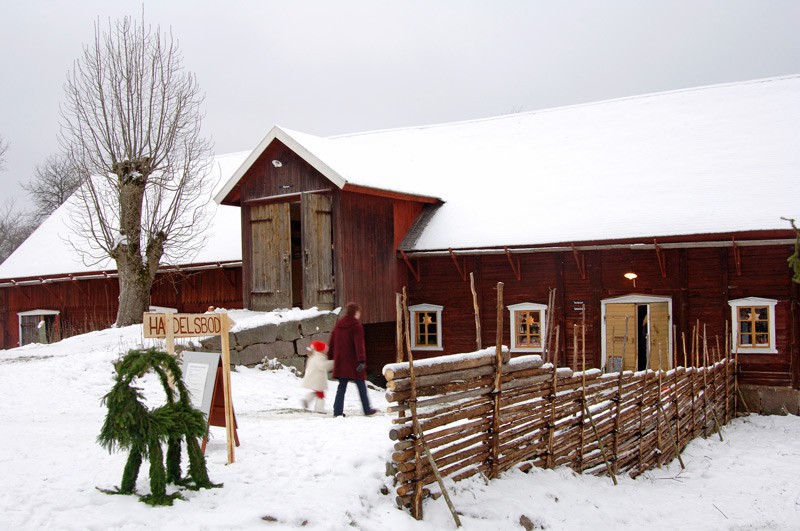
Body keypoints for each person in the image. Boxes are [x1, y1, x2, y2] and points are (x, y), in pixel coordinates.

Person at [328, 302, 377, 417]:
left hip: (341, 361)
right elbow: (359, 344)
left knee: (342, 386)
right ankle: (367, 409)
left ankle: (337, 411)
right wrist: (362, 360)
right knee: (361, 385)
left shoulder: (339, 324)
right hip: (354, 361)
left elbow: (332, 341)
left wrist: (330, 356)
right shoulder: (356, 326)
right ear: (356, 312)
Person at [300, 340, 334, 413]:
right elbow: (323, 365)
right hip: (317, 378)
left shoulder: (313, 356)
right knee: (321, 394)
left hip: (313, 377)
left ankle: (307, 400)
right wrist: (333, 363)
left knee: (317, 392)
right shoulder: (319, 357)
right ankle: (319, 408)